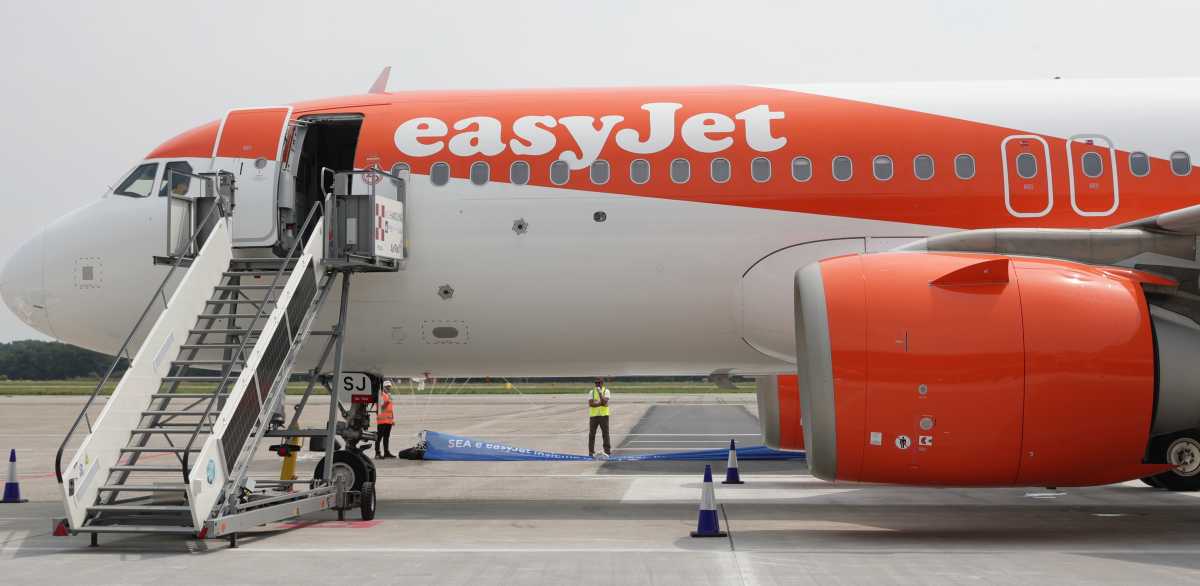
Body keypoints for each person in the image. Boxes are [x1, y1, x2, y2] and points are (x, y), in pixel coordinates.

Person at [587, 378, 612, 458]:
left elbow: (605, 402)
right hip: (594, 416)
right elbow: (591, 404)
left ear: (602, 383)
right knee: (592, 434)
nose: (597, 384)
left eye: (599, 383)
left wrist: (600, 394)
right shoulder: (592, 392)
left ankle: (607, 451)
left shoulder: (606, 391)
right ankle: (591, 452)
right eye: (596, 383)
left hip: (604, 416)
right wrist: (601, 403)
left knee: (605, 433)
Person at [375, 379, 395, 459]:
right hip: (382, 420)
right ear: (383, 387)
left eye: (389, 387)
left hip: (388, 420)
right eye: (387, 387)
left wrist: (392, 419)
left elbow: (391, 409)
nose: (388, 388)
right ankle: (377, 453)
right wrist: (388, 400)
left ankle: (386, 452)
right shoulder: (381, 395)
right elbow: (382, 407)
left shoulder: (388, 395)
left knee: (386, 437)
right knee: (379, 437)